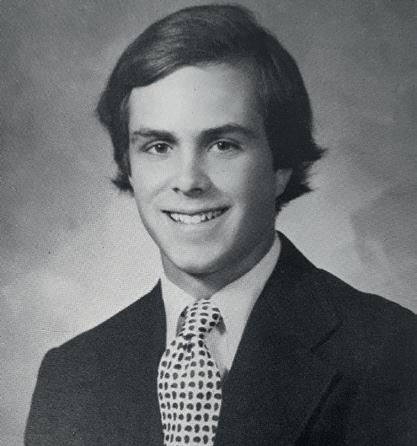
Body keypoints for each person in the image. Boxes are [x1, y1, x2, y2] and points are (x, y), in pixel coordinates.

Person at [25, 4, 417, 446]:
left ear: (281, 165)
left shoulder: (393, 352)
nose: (188, 181)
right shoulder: (72, 376)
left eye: (223, 144)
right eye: (158, 146)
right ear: (129, 168)